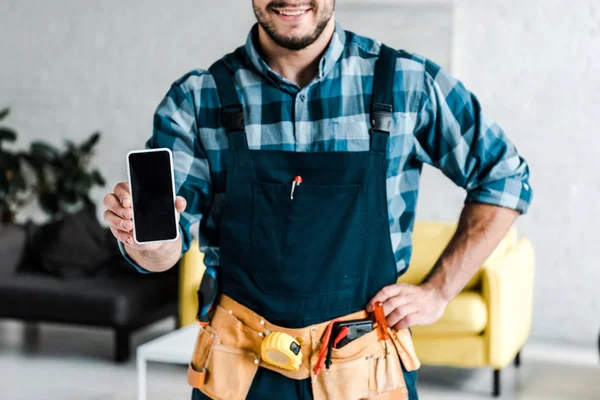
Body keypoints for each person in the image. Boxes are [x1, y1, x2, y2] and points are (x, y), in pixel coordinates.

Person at [102, 1, 533, 399]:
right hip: (238, 372)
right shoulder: (197, 99)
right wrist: (151, 245)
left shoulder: (407, 82)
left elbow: (505, 176)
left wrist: (439, 291)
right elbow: (163, 251)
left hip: (367, 373)